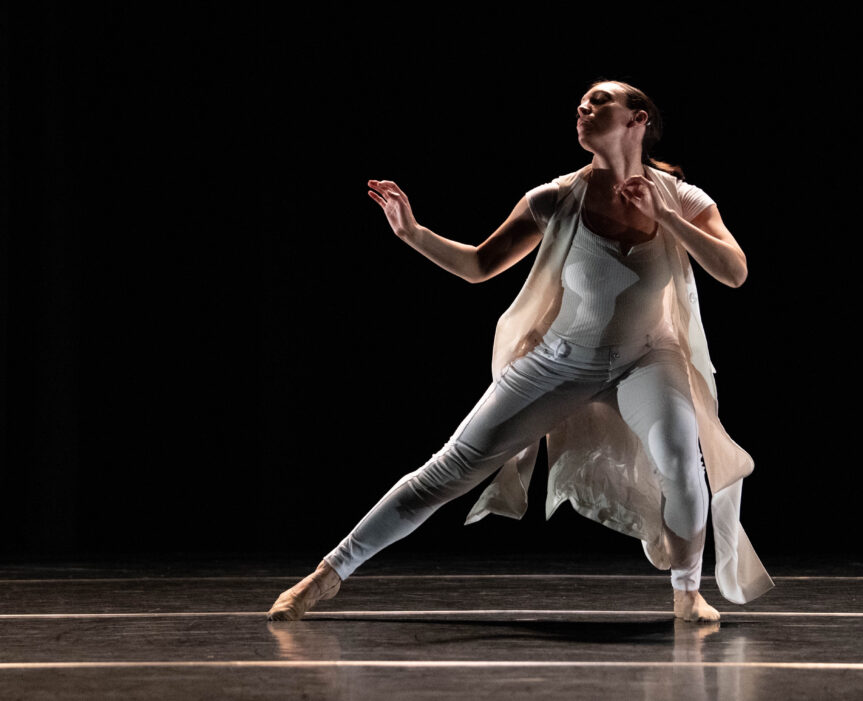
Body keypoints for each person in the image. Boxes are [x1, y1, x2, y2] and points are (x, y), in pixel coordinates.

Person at [267, 80, 774, 623]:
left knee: (682, 463)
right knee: (449, 469)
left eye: (599, 100)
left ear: (638, 118)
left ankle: (685, 591)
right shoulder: (554, 198)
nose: (583, 107)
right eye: (581, 101)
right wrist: (414, 234)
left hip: (648, 358)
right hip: (562, 359)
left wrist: (666, 215)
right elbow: (480, 266)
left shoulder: (685, 198)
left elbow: (735, 272)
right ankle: (327, 575)